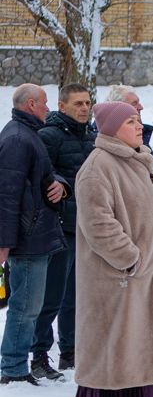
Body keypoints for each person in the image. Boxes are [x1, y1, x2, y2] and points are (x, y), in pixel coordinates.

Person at [71, 101, 153, 397]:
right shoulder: (98, 167)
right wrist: (131, 259)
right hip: (117, 278)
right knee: (116, 346)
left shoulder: (137, 163)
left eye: (139, 120)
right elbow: (98, 225)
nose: (138, 126)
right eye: (131, 121)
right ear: (111, 128)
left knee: (138, 346)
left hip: (144, 277)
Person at [0, 84, 69, 386]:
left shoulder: (27, 134)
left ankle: (16, 365)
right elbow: (7, 193)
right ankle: (13, 368)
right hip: (28, 238)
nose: (48, 108)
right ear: (30, 104)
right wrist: (4, 242)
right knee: (25, 307)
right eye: (44, 103)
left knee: (30, 305)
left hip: (36, 234)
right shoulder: (17, 138)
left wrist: (59, 183)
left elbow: (43, 175)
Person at [32, 83, 94, 379]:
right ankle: (39, 354)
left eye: (87, 103)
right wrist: (57, 182)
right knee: (52, 295)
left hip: (88, 226)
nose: (84, 108)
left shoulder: (93, 136)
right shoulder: (49, 135)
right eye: (77, 103)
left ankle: (70, 351)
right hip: (61, 227)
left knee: (78, 295)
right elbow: (41, 172)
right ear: (62, 105)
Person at [107, 85, 153, 172]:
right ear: (118, 108)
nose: (141, 107)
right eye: (134, 103)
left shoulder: (139, 135)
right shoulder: (106, 141)